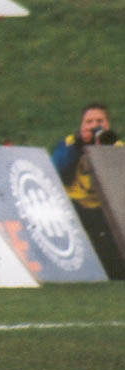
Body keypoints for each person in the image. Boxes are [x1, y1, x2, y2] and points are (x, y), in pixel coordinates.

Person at [51, 103, 125, 280]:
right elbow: (56, 171)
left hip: (106, 206)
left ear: (107, 124)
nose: (94, 126)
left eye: (99, 121)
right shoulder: (69, 143)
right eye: (89, 121)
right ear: (82, 125)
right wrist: (77, 147)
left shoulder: (118, 145)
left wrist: (109, 150)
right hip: (74, 204)